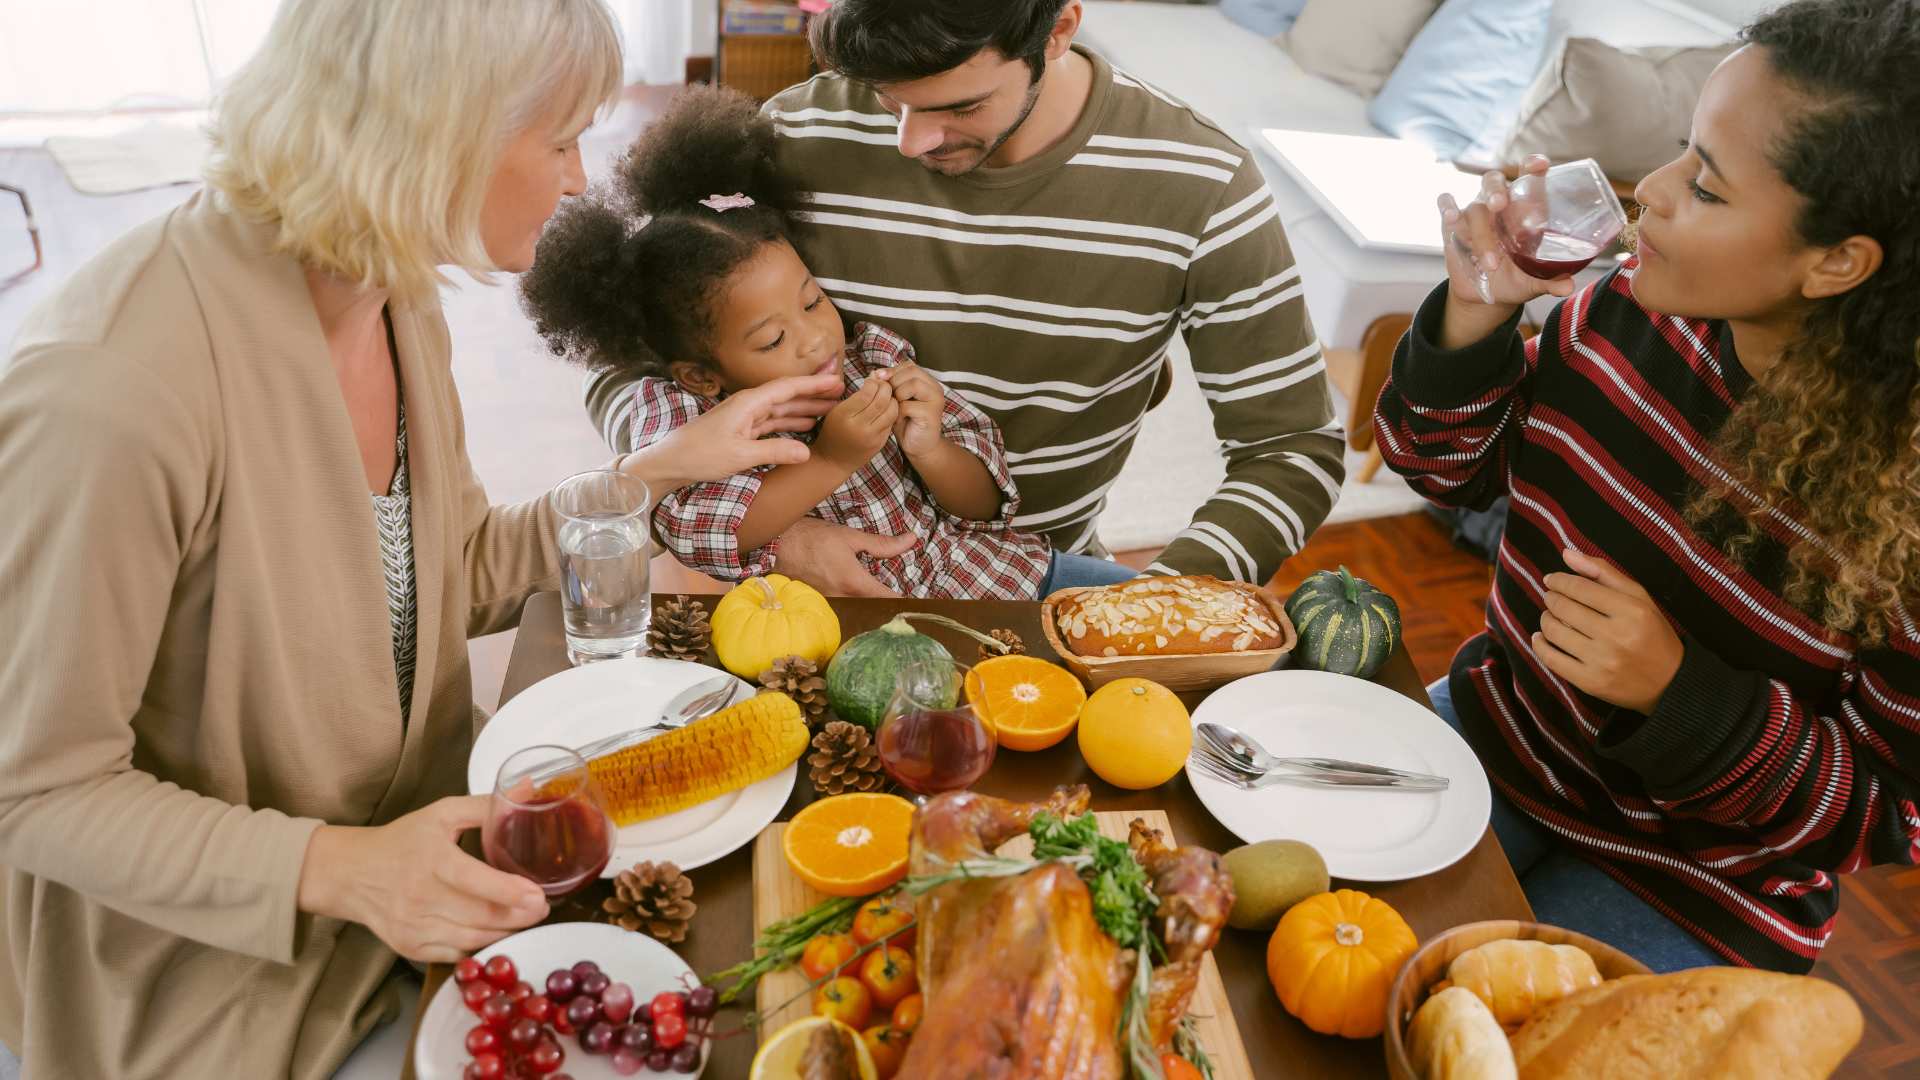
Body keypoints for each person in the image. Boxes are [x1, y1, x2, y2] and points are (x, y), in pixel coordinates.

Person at [0, 2, 842, 1076]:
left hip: (447, 852)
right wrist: (344, 869)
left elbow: (444, 575)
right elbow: (37, 788)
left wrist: (656, 471)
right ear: (440, 130)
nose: (581, 179)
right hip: (233, 968)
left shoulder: (396, 296)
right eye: (560, 139)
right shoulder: (111, 394)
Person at [1375, 0, 1920, 974]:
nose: (1652, 193)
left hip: (1705, 885)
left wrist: (1684, 699)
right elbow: (1439, 470)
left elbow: (1891, 815)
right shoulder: (1621, 308)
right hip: (1502, 741)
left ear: (1837, 262)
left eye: (1706, 188)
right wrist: (1474, 318)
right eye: (1680, 151)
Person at [584, 0, 1346, 597]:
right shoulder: (793, 132)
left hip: (1034, 572)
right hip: (808, 578)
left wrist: (1161, 603)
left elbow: (1291, 451)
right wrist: (784, 536)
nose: (911, 141)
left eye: (960, 105)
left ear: (1058, 30)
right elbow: (632, 352)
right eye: (888, 99)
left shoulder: (1204, 186)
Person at [525, 87, 1128, 598]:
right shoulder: (688, 416)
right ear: (701, 375)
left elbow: (984, 506)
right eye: (774, 338)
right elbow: (699, 530)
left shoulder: (876, 360)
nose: (816, 338)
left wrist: (931, 447)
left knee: (1155, 608)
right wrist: (831, 460)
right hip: (845, 622)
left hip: (993, 577)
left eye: (814, 301)